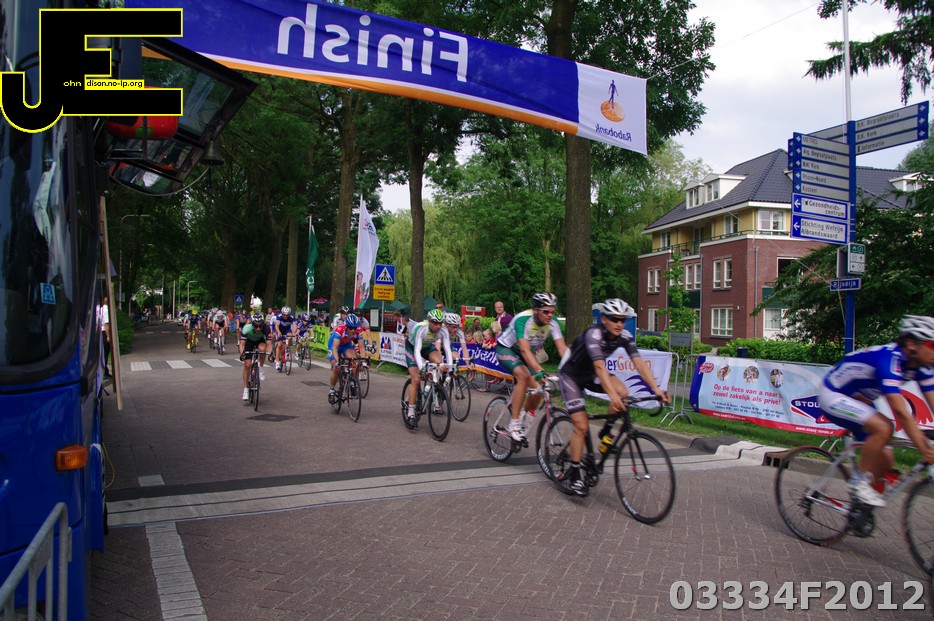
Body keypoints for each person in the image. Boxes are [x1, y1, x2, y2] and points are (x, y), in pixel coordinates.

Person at [556, 299, 670, 496]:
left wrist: (657, 390)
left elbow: (639, 364)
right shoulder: (594, 334)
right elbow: (600, 366)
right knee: (581, 426)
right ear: (604, 319)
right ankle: (574, 475)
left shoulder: (624, 336)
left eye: (622, 320)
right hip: (571, 376)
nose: (619, 323)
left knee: (623, 393)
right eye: (614, 319)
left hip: (591, 374)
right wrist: (611, 395)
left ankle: (605, 432)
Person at [819, 315, 934, 507]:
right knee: (884, 428)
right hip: (833, 395)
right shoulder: (889, 360)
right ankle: (858, 484)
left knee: (886, 461)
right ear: (912, 344)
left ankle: (860, 510)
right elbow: (901, 413)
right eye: (932, 345)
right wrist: (925, 451)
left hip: (860, 401)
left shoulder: (922, 367)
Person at [495, 292, 568, 441]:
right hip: (507, 349)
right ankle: (513, 424)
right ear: (535, 310)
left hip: (526, 353)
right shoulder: (523, 319)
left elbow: (562, 348)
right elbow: (524, 350)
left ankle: (524, 415)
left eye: (553, 311)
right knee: (524, 376)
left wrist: (572, 369)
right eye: (546, 311)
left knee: (541, 387)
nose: (550, 315)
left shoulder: (553, 323)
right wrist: (539, 370)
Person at [403, 309, 453, 426]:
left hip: (427, 347)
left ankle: (429, 386)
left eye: (440, 323)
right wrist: (422, 368)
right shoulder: (421, 328)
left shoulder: (443, 330)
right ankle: (411, 412)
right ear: (429, 321)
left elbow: (447, 349)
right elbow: (417, 350)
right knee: (416, 380)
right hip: (412, 348)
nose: (438, 326)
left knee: (439, 363)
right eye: (435, 323)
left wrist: (450, 367)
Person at [327, 313, 365, 400]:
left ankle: (351, 380)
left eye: (355, 328)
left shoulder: (359, 331)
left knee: (354, 361)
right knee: (337, 368)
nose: (353, 330)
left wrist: (363, 362)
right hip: (334, 345)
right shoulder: (340, 330)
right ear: (346, 326)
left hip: (346, 345)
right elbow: (335, 348)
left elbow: (362, 347)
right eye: (351, 328)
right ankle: (332, 389)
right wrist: (337, 362)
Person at [240, 312, 271, 400]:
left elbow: (269, 344)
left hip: (260, 341)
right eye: (256, 326)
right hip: (249, 342)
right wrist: (242, 354)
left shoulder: (266, 328)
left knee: (262, 349)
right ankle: (245, 389)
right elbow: (242, 344)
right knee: (247, 365)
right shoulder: (246, 328)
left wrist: (270, 354)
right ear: (252, 324)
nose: (258, 328)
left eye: (260, 326)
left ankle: (261, 367)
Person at [273, 306, 298, 371]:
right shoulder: (279, 316)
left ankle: (287, 348)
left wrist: (293, 333)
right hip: (280, 330)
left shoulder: (291, 317)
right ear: (282, 313)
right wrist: (279, 332)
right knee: (279, 345)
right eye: (284, 315)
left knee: (290, 336)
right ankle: (277, 362)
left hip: (287, 330)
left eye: (287, 315)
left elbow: (295, 326)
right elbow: (276, 325)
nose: (285, 316)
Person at [98, 295, 111, 378]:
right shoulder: (106, 310)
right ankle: (104, 372)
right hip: (104, 333)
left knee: (102, 353)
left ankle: (104, 370)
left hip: (100, 332)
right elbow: (106, 324)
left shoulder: (101, 309)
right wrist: (108, 336)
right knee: (105, 353)